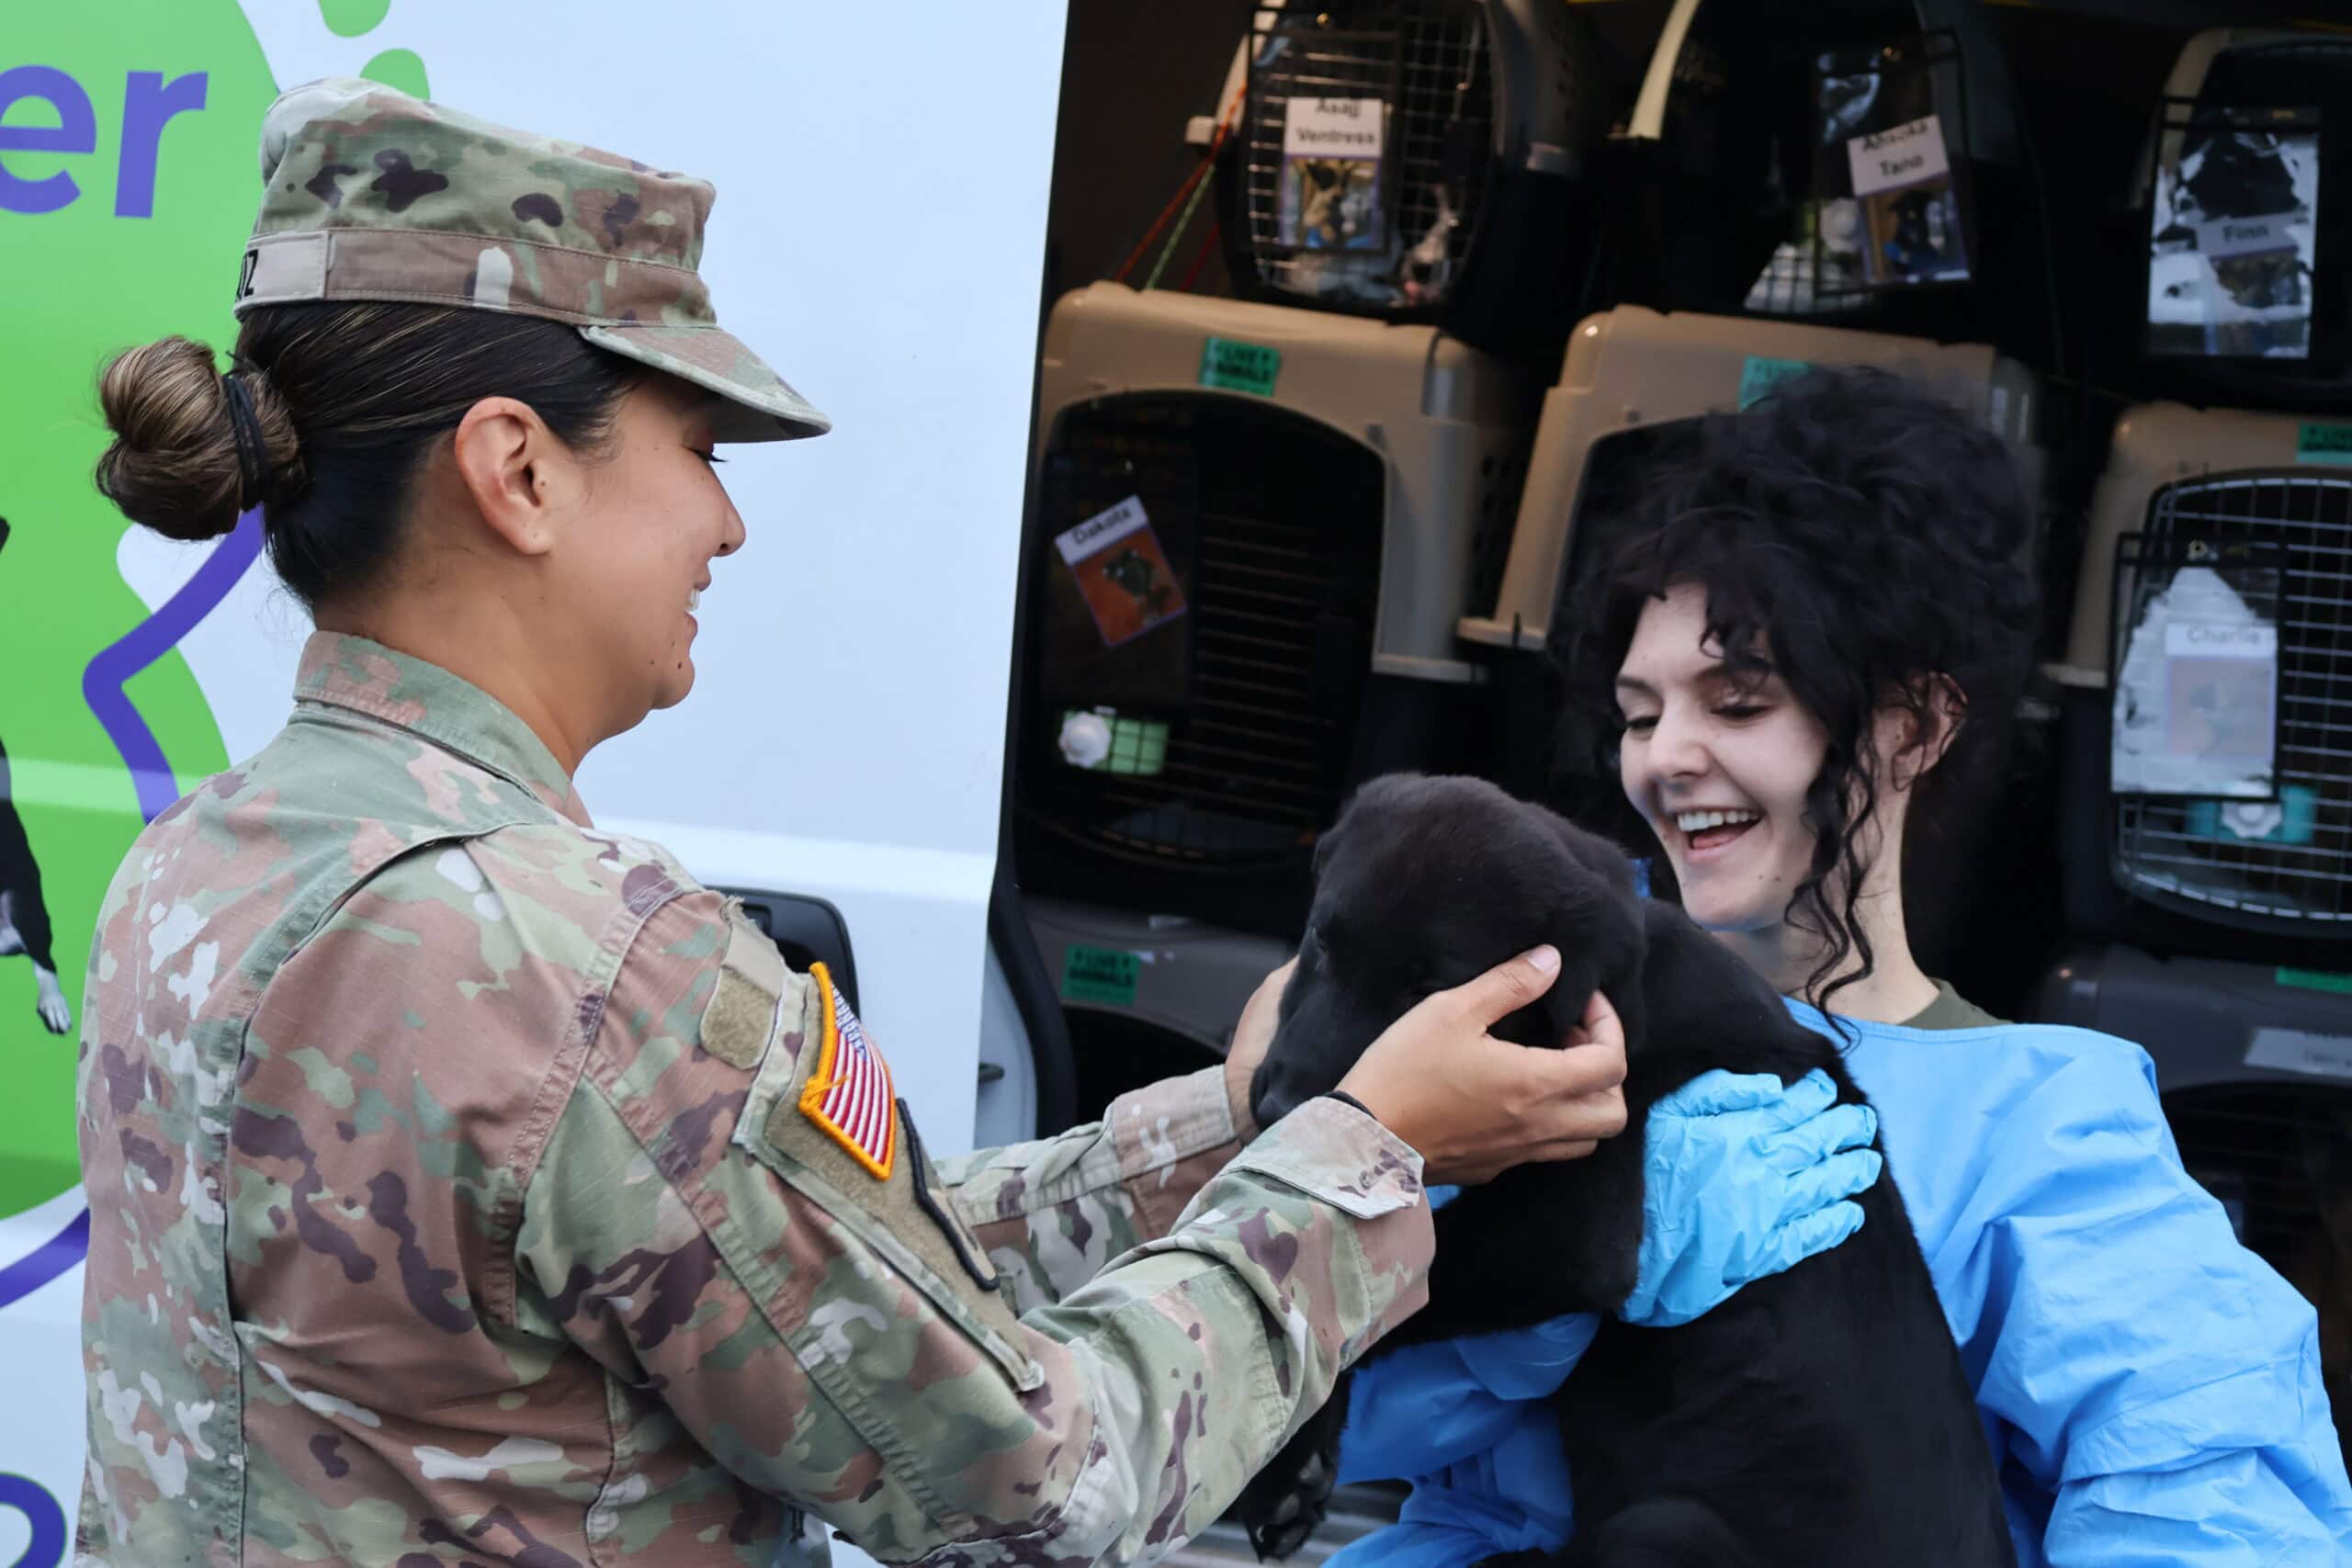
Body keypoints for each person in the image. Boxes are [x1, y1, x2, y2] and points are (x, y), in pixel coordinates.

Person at [71, 80, 1876, 1568]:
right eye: (693, 443)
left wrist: (1242, 1118)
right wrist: (1364, 1159)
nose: (726, 522)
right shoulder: (590, 978)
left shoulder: (202, 868)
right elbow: (1030, 1485)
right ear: (515, 469)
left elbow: (863, 1276)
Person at [1329, 367, 2352, 1565]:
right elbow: (1302, 1416)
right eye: (1642, 711)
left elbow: (2208, 1493)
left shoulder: (2038, 1125)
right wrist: (1545, 1278)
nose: (1669, 758)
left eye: (1739, 699)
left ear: (1911, 727)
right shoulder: (1517, 1037)